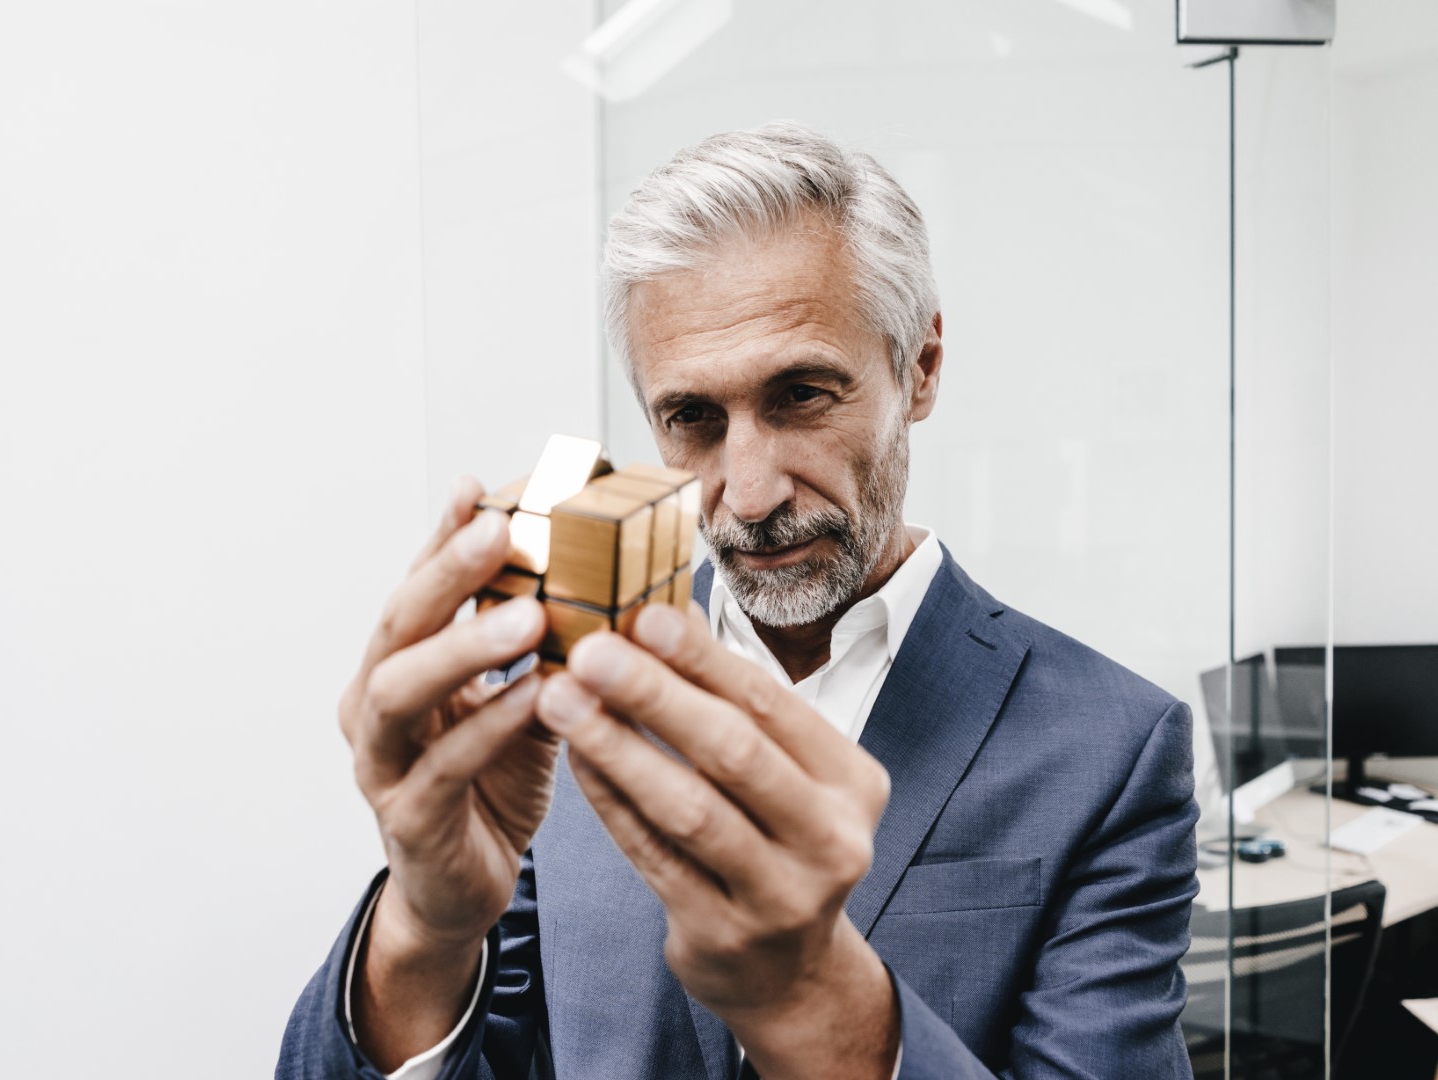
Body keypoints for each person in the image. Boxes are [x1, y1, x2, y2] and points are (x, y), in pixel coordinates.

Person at [278, 123, 1199, 1079]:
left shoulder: (1111, 751)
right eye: (694, 419)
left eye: (802, 394)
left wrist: (821, 1003)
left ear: (919, 369)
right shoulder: (542, 697)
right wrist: (424, 931)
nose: (750, 495)